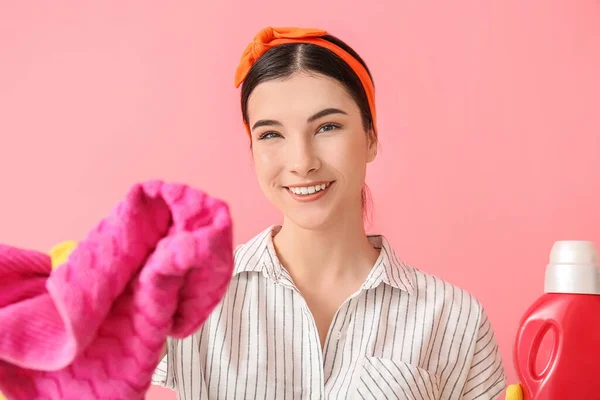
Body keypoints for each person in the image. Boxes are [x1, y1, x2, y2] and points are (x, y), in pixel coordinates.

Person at [151, 26, 507, 399]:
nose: (302, 162)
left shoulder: (454, 317)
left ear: (370, 137)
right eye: (271, 134)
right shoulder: (189, 297)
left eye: (328, 127)